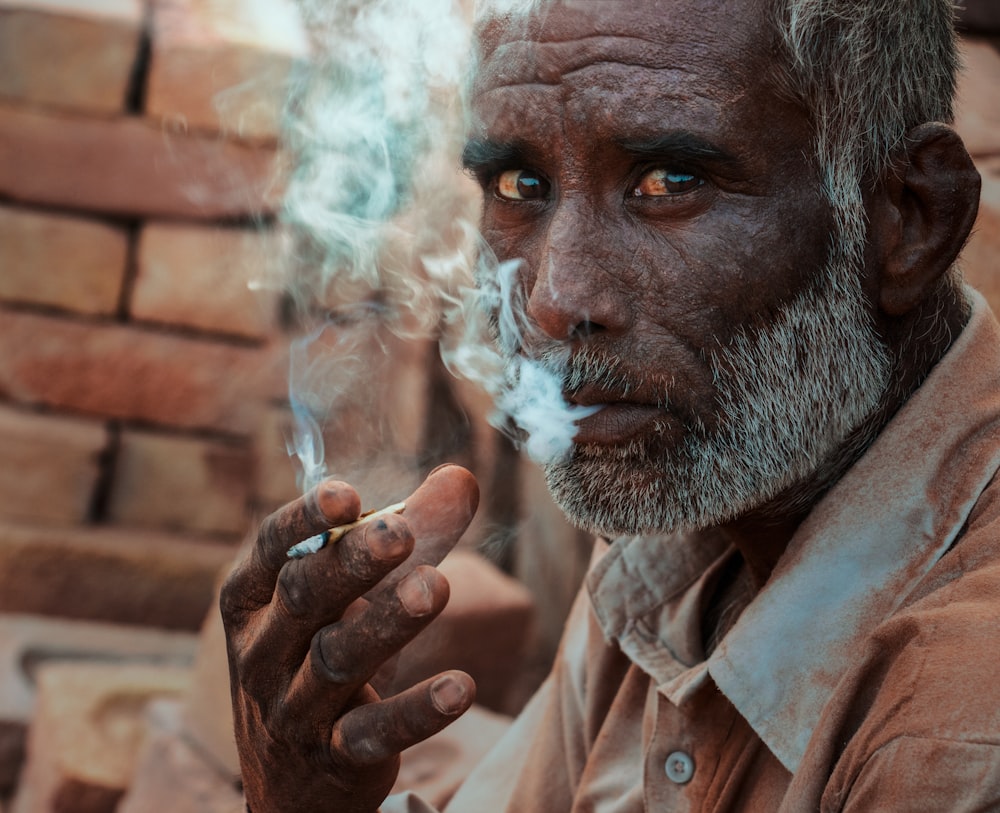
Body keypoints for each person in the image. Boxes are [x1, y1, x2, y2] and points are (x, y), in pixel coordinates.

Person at [219, 0, 998, 809]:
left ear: (908, 219)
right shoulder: (686, 541)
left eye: (670, 182)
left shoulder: (961, 724)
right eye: (522, 185)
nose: (557, 298)